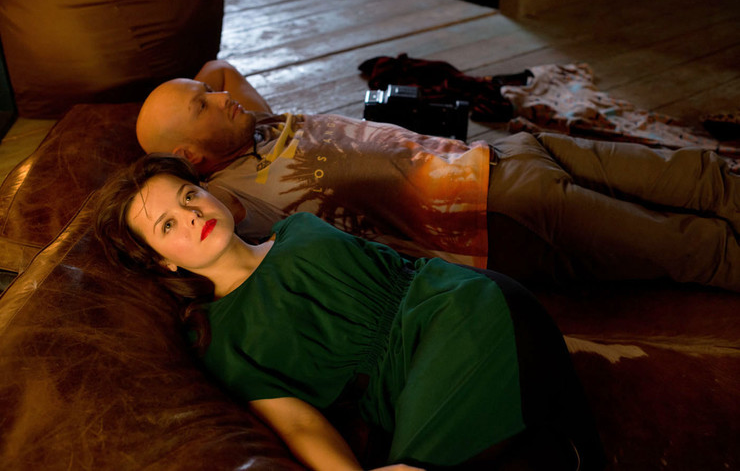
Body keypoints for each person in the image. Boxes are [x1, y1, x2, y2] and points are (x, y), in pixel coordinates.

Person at [94, 153, 606, 470]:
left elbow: (401, 269)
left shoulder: (298, 229)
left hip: (460, 308)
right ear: (162, 261)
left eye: (190, 195)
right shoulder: (221, 341)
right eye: (167, 225)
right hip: (411, 390)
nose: (191, 214)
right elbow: (299, 426)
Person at [135, 60, 740, 292]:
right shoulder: (229, 197)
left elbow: (220, 67)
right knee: (694, 248)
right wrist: (168, 168)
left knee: (702, 173)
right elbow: (187, 234)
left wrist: (194, 105)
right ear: (191, 161)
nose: (220, 98)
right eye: (202, 105)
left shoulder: (255, 124)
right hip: (501, 215)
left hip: (507, 153)